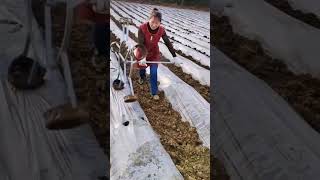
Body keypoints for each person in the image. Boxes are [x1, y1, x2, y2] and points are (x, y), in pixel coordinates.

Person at [137, 8, 177, 100]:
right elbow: (141, 44)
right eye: (152, 22)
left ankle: (154, 92)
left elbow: (167, 42)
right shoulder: (142, 28)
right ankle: (142, 77)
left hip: (154, 53)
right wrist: (143, 56)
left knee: (154, 72)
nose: (154, 25)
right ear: (149, 19)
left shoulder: (161, 30)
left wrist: (175, 56)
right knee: (142, 67)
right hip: (143, 51)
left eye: (157, 23)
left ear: (160, 23)